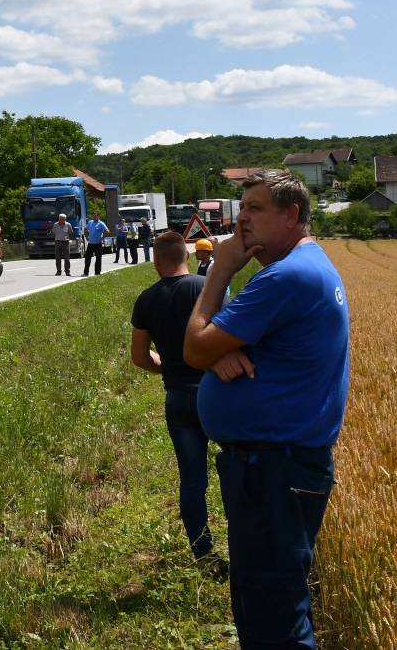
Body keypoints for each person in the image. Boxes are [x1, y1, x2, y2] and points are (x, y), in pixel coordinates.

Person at [183, 169, 350, 649]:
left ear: (292, 215)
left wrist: (219, 270)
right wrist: (219, 349)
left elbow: (193, 347)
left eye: (255, 209)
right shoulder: (305, 267)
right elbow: (212, 344)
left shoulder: (287, 277)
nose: (242, 222)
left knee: (276, 617)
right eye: (242, 209)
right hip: (280, 464)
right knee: (267, 606)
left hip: (274, 466)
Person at [130, 232, 217, 563]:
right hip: (216, 393)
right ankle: (250, 546)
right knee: (240, 468)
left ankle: (203, 553)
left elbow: (139, 357)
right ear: (189, 256)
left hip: (178, 397)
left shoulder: (146, 300)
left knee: (192, 479)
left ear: (155, 261)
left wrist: (169, 366)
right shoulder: (205, 288)